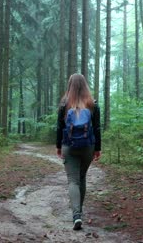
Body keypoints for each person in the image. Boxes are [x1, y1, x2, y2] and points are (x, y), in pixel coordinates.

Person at [56, 73, 101, 231]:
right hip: (88, 146)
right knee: (82, 178)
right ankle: (79, 212)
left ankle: (77, 216)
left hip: (69, 146)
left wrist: (58, 147)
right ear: (85, 85)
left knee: (73, 181)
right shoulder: (92, 104)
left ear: (70, 86)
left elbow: (59, 128)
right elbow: (96, 128)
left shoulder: (64, 104)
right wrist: (98, 149)